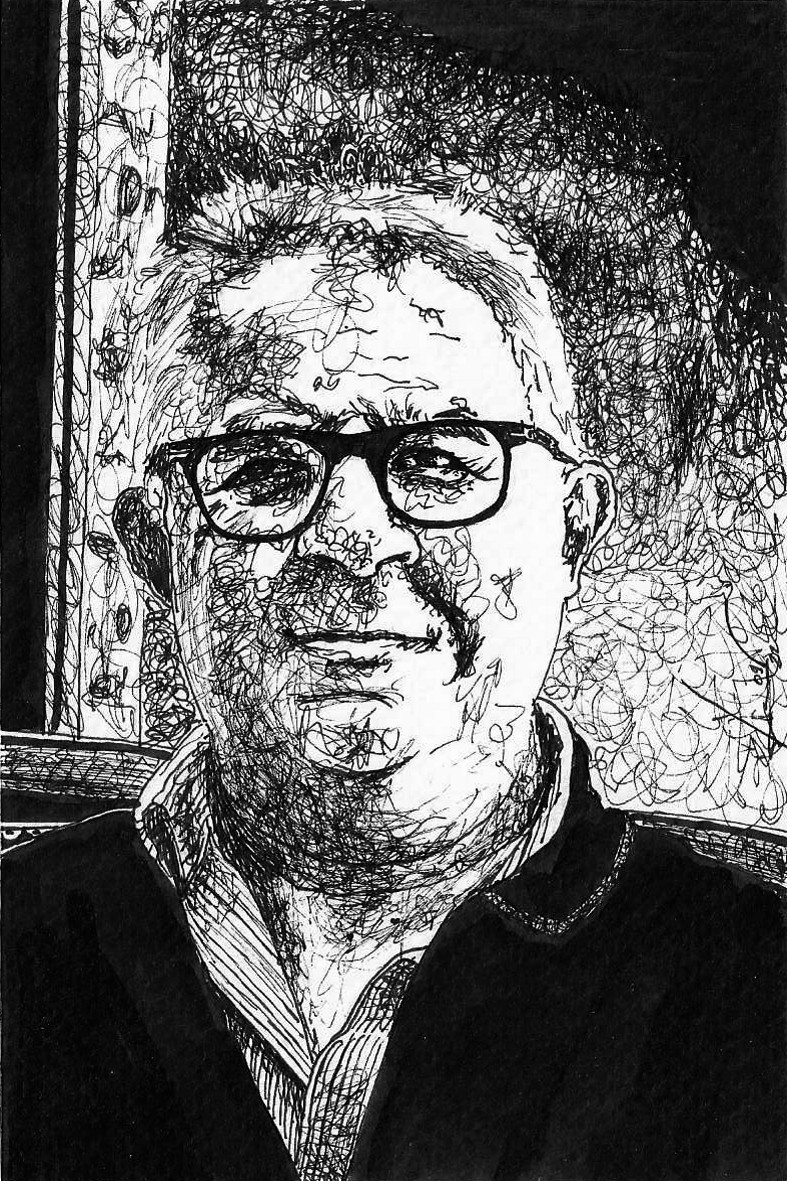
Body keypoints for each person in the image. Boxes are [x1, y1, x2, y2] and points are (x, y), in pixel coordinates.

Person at [4, 177, 786, 1181]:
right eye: (263, 469)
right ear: (155, 552)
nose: (353, 536)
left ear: (573, 529)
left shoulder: (754, 984)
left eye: (441, 461)